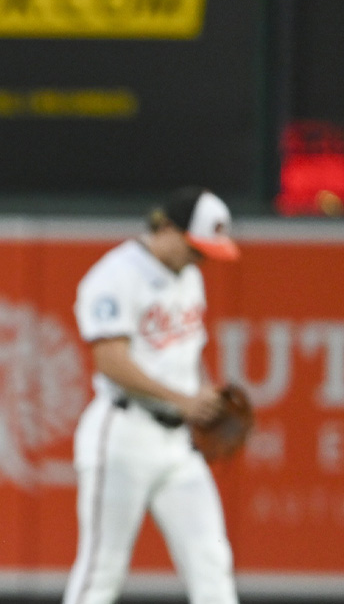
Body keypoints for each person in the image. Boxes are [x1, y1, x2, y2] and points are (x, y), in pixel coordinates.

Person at [63, 186, 240, 604]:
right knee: (101, 571)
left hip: (177, 445)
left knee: (212, 562)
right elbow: (110, 360)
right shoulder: (116, 275)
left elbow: (186, 353)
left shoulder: (190, 277)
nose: (202, 258)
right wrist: (183, 401)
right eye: (196, 247)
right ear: (167, 228)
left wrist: (203, 395)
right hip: (122, 434)